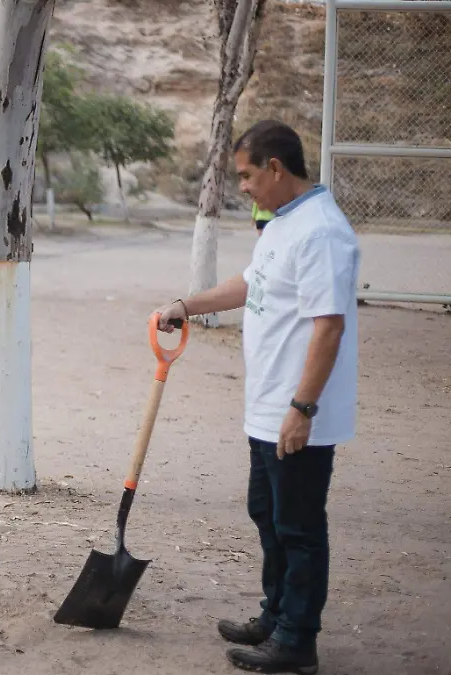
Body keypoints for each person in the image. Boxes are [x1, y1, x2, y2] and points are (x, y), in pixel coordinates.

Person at [153, 119, 359, 674]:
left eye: (246, 175)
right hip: (268, 409)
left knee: (298, 526)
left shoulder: (321, 231)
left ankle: (298, 640)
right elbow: (250, 285)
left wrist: (302, 409)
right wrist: (185, 305)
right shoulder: (283, 225)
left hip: (297, 413)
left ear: (275, 167)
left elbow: (329, 327)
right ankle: (276, 614)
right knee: (267, 515)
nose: (241, 186)